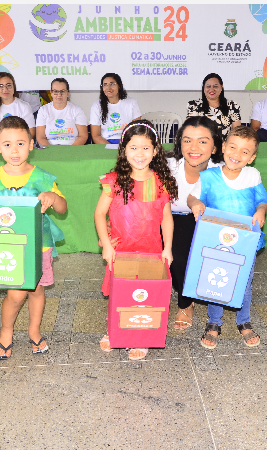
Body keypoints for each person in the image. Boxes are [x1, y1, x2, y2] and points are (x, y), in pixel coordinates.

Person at [0, 116, 67, 359]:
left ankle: (34, 330)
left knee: (36, 290)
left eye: (21, 143)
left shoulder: (43, 178)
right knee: (15, 293)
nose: (15, 150)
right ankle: (6, 330)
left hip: (39, 246)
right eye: (8, 144)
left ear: (31, 144)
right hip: (8, 248)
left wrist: (53, 198)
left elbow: (63, 208)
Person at [95, 120, 178, 360]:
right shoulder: (113, 181)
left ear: (155, 151)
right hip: (121, 250)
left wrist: (168, 248)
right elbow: (99, 214)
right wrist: (106, 244)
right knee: (119, 291)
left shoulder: (162, 182)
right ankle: (114, 329)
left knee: (146, 294)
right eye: (133, 147)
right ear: (124, 150)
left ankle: (142, 337)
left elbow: (166, 219)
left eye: (145, 148)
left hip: (151, 249)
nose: (139, 154)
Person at [188, 126, 267, 349]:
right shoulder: (208, 176)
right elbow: (191, 197)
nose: (237, 154)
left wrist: (261, 210)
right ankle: (214, 322)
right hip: (216, 241)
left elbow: (262, 200)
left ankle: (243, 321)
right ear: (223, 147)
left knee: (244, 281)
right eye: (232, 147)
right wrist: (196, 204)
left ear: (252, 158)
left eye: (245, 152)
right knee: (216, 278)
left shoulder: (252, 175)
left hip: (245, 242)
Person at [166, 116, 223, 330]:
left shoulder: (224, 169)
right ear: (179, 143)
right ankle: (185, 302)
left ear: (216, 146)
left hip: (205, 219)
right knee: (178, 257)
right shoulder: (167, 164)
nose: (194, 147)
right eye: (187, 140)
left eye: (203, 141)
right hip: (168, 217)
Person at [0, 72, 35, 147]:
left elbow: (31, 132)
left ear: (14, 87)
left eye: (8, 85)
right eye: (0, 86)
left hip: (19, 147)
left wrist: (16, 145)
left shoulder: (24, 106)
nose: (5, 89)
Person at [186, 73, 241, 140]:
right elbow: (191, 130)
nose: (211, 89)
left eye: (215, 86)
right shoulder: (194, 105)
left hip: (224, 147)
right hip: (202, 146)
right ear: (204, 88)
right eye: (208, 86)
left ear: (221, 87)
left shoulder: (232, 105)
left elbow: (237, 131)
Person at [90, 73, 141, 144]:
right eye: (105, 85)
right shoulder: (97, 106)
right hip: (105, 143)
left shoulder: (131, 102)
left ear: (119, 86)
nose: (108, 88)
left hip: (127, 142)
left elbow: (137, 131)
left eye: (112, 84)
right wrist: (110, 147)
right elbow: (96, 136)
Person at [35, 78, 88, 146]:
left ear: (68, 93)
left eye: (62, 91)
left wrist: (69, 151)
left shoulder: (77, 110)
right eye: (55, 91)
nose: (59, 94)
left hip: (72, 149)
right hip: (50, 150)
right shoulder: (43, 110)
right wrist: (52, 152)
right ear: (51, 93)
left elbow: (83, 136)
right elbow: (40, 138)